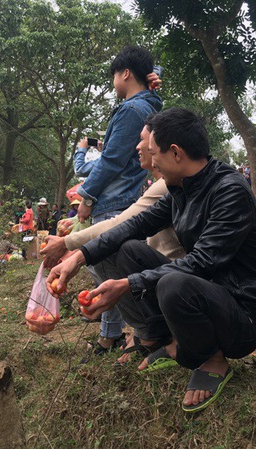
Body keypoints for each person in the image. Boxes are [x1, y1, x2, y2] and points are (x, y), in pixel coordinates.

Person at [47, 107, 256, 412]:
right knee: (129, 249)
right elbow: (133, 226)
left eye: (154, 153)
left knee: (174, 283)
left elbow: (202, 262)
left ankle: (213, 359)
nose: (150, 162)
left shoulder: (228, 191)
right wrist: (77, 258)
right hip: (206, 295)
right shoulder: (182, 190)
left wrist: (126, 284)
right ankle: (165, 341)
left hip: (240, 316)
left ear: (176, 152)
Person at [42, 122, 186, 362]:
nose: (138, 147)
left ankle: (150, 333)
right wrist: (77, 250)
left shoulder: (165, 187)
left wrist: (68, 244)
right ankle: (146, 331)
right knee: (107, 247)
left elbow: (118, 224)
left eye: (143, 141)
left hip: (175, 281)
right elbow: (125, 225)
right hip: (164, 275)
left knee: (113, 248)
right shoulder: (159, 187)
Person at [71, 45, 163, 354]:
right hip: (125, 198)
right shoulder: (150, 106)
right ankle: (112, 336)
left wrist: (87, 195)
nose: (113, 81)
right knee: (111, 273)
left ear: (125, 74)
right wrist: (155, 77)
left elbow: (110, 160)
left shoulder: (130, 110)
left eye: (115, 74)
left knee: (108, 274)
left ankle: (139, 335)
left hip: (113, 201)